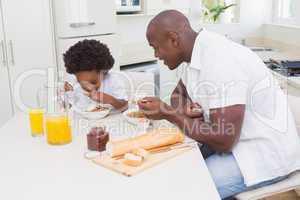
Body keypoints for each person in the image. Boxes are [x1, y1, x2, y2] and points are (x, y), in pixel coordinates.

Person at [137, 10, 300, 199]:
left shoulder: (220, 60)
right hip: (233, 143)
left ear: (174, 39)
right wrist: (185, 111)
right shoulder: (196, 55)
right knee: (172, 167)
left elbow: (224, 139)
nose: (156, 55)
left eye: (156, 47)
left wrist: (170, 113)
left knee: (184, 190)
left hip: (261, 155)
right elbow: (178, 95)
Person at [63, 39, 128, 112]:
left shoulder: (113, 80)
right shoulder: (74, 82)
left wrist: (111, 100)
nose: (89, 87)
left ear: (104, 72)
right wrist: (68, 94)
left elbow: (125, 106)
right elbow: (68, 107)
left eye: (93, 82)